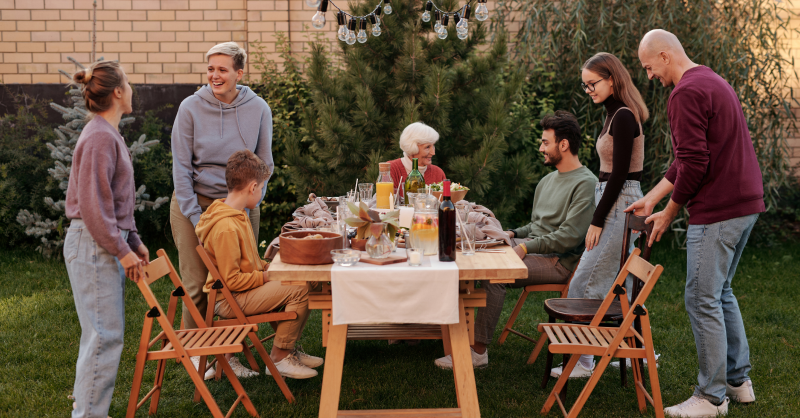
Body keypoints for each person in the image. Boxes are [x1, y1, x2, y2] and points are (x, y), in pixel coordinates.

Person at [631, 29, 764, 418]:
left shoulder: (684, 93)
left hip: (719, 210)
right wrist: (652, 197)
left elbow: (695, 162)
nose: (649, 76)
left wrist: (670, 212)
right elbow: (688, 157)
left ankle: (711, 397)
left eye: (649, 66)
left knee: (701, 298)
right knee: (720, 292)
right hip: (745, 204)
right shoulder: (711, 79)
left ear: (665, 55)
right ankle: (738, 383)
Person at [434, 111, 597, 369]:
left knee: (493, 274)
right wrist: (510, 234)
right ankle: (443, 332)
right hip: (535, 248)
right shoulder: (547, 181)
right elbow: (537, 225)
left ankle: (477, 352)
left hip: (558, 262)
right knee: (467, 255)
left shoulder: (586, 184)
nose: (541, 147)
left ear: (563, 145)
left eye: (546, 142)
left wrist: (523, 247)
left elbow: (569, 237)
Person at [552, 52, 650, 379]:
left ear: (611, 78)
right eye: (585, 86)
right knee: (596, 277)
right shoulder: (612, 114)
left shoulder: (623, 116)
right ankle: (624, 350)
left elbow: (620, 173)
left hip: (619, 201)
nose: (589, 90)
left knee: (586, 279)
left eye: (592, 83)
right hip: (612, 197)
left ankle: (583, 360)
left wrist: (597, 219)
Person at [64, 61, 150, 418]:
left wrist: (133, 240)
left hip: (101, 239)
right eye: (127, 83)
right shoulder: (99, 136)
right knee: (103, 337)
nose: (131, 89)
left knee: (100, 335)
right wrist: (120, 249)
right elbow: (94, 206)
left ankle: (88, 410)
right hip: (94, 242)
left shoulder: (106, 132)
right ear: (117, 91)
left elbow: (113, 201)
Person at [171, 41, 274, 338]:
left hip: (240, 204)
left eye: (222, 70)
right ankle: (196, 350)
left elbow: (265, 162)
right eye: (210, 69)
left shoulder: (258, 108)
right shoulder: (190, 108)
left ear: (239, 73)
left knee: (241, 278)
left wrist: (253, 199)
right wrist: (195, 216)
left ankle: (234, 352)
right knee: (196, 283)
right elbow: (180, 168)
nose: (215, 76)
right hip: (194, 202)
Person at [195, 150, 323, 379]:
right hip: (227, 300)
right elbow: (231, 280)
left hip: (242, 291)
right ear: (252, 187)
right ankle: (279, 358)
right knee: (299, 289)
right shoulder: (226, 227)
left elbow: (248, 263)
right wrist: (267, 277)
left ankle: (289, 349)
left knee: (309, 278)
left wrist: (267, 267)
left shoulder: (238, 214)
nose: (262, 193)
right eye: (262, 188)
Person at [389, 122, 447, 188]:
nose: (433, 153)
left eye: (433, 146)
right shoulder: (391, 169)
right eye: (427, 147)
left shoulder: (438, 173)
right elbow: (382, 197)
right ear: (412, 147)